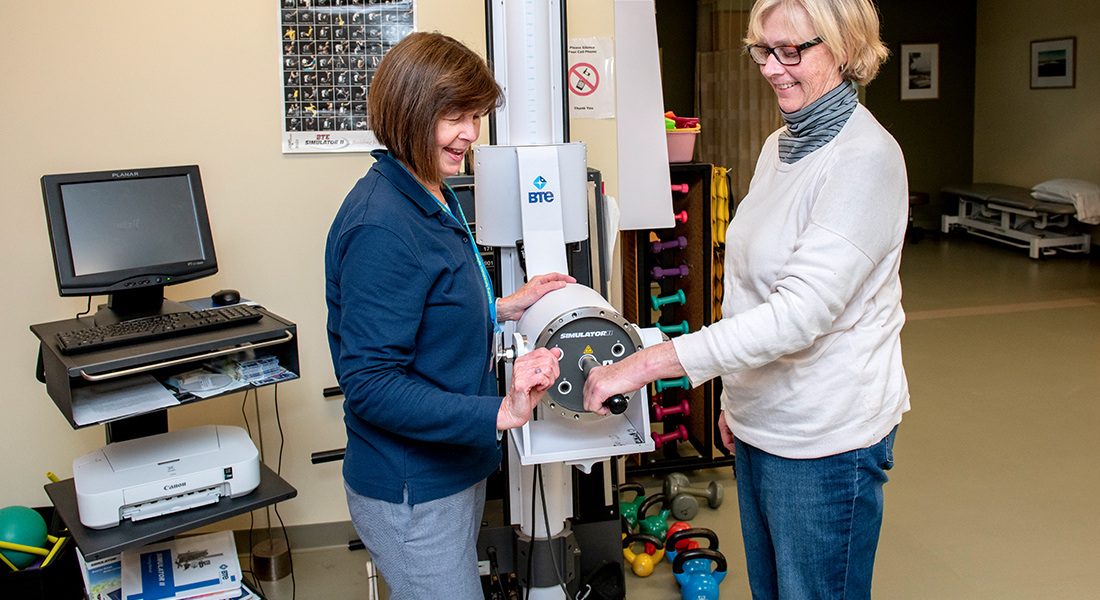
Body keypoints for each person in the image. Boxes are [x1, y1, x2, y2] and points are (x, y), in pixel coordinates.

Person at [583, 0, 908, 597]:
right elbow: (749, 293)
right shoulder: (778, 146)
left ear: (845, 48)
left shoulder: (866, 161)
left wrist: (650, 364)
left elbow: (799, 314)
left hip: (825, 438)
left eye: (792, 51)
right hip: (763, 421)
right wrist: (737, 400)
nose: (772, 68)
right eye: (763, 50)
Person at [325, 32, 575, 600]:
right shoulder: (381, 226)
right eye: (454, 116)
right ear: (410, 112)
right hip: (414, 488)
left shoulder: (430, 189)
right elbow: (369, 384)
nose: (469, 133)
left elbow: (425, 308)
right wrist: (501, 413)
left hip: (452, 473)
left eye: (475, 115)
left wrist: (503, 307)